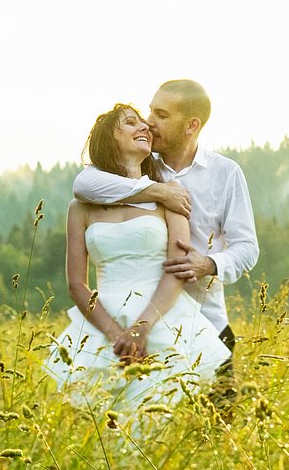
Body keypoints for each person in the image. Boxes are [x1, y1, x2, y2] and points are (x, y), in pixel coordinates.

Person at [72, 80, 259, 390]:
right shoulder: (138, 163)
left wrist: (207, 264)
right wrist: (159, 190)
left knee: (214, 430)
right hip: (138, 329)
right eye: (150, 112)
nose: (149, 123)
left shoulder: (225, 173)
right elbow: (83, 185)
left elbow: (247, 248)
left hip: (206, 321)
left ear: (191, 125)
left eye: (161, 115)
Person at [44, 104, 230, 412]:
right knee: (102, 421)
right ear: (109, 140)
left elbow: (176, 269)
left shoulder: (171, 196)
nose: (144, 127)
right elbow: (77, 283)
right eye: (131, 123)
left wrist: (141, 328)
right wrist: (117, 335)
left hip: (161, 317)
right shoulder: (80, 208)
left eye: (143, 123)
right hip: (102, 322)